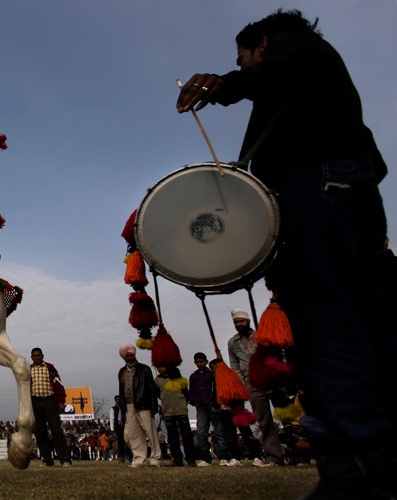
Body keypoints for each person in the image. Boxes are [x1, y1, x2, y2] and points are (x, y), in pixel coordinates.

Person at [177, 9, 392, 497]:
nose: (245, 65)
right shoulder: (319, 81)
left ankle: (353, 470)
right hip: (341, 194)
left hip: (313, 192)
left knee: (326, 329)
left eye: (244, 58)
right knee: (370, 328)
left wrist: (227, 84)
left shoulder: (296, 49)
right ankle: (379, 460)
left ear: (262, 44)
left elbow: (273, 70)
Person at [226, 309, 284, 467]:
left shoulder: (262, 335)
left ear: (248, 321)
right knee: (264, 420)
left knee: (285, 415)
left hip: (271, 379)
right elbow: (234, 365)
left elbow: (277, 353)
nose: (239, 324)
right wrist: (242, 383)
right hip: (251, 383)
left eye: (241, 321)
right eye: (236, 322)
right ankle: (274, 456)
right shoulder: (232, 342)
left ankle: (299, 453)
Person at [117, 344, 162, 467]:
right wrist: (123, 408)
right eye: (127, 355)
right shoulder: (122, 371)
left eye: (131, 354)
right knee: (134, 434)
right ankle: (139, 459)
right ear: (124, 357)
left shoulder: (144, 369)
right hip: (128, 405)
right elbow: (121, 391)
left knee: (150, 432)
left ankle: (155, 458)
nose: (130, 357)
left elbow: (152, 388)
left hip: (143, 405)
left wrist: (154, 406)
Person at [189, 352, 235, 466]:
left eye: (201, 362)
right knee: (201, 432)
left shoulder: (212, 375)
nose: (199, 364)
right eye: (197, 362)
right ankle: (206, 458)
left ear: (206, 362)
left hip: (213, 405)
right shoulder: (193, 376)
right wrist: (194, 401)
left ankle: (223, 456)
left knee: (219, 431)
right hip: (201, 406)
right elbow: (191, 391)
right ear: (195, 363)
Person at [29, 347, 71, 467]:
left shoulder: (50, 368)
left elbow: (59, 385)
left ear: (42, 356)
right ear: (31, 357)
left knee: (56, 430)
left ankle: (65, 459)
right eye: (34, 356)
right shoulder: (28, 369)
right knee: (40, 432)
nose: (37, 357)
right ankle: (47, 459)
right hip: (35, 402)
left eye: (39, 355)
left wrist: (61, 401)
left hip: (50, 401)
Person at [154, 365, 196, 467]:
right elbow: (157, 394)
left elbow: (186, 394)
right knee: (172, 437)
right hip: (168, 411)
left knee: (186, 435)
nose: (159, 368)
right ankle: (177, 460)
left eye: (161, 365)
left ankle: (191, 460)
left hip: (181, 410)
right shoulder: (157, 380)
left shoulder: (179, 379)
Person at [110, 395, 126, 463]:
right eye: (117, 399)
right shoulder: (113, 409)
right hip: (118, 428)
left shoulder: (123, 408)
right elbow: (112, 418)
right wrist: (112, 428)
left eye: (119, 399)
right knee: (120, 442)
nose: (118, 401)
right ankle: (121, 457)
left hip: (124, 426)